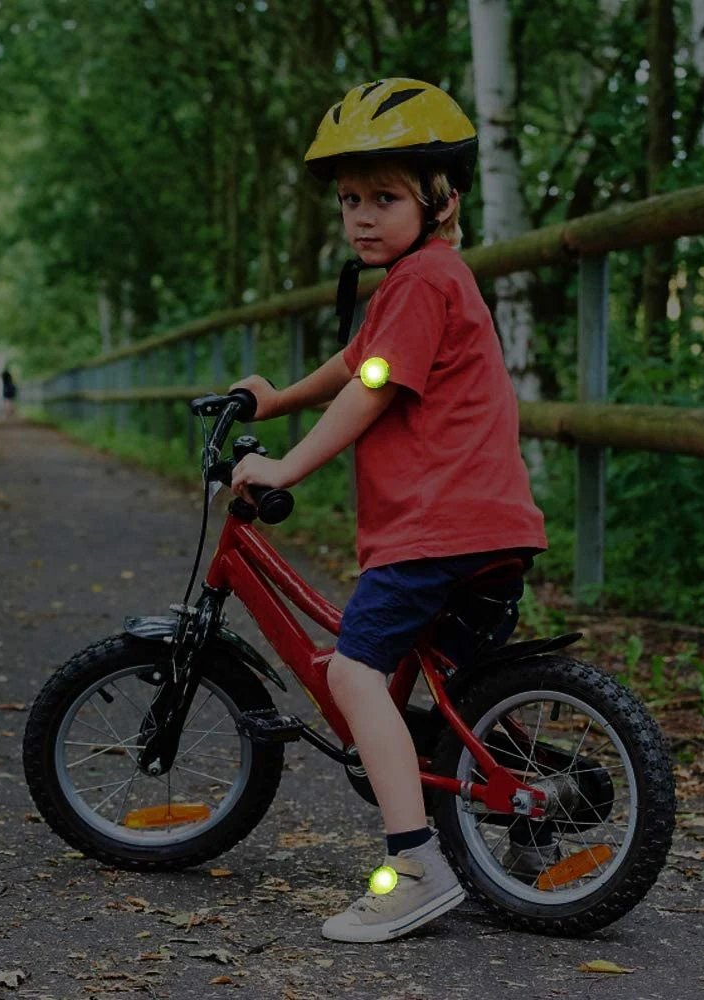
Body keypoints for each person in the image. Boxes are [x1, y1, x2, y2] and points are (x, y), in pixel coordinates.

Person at [228, 79, 549, 943]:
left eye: (385, 198)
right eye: (349, 202)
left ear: (440, 200)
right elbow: (353, 360)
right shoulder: (426, 280)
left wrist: (283, 463)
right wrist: (276, 400)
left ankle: (412, 867)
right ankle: (531, 824)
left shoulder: (420, 283)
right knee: (461, 694)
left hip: (435, 529)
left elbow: (372, 387)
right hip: (490, 525)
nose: (362, 218)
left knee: (352, 672)